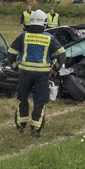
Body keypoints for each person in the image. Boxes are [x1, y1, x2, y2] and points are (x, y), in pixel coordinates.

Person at [7, 9, 66, 137]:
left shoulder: (23, 36)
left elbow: (11, 53)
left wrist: (16, 68)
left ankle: (21, 125)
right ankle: (36, 128)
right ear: (44, 23)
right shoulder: (49, 38)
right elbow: (61, 55)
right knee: (40, 101)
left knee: (22, 98)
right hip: (42, 75)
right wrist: (54, 69)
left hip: (25, 74)